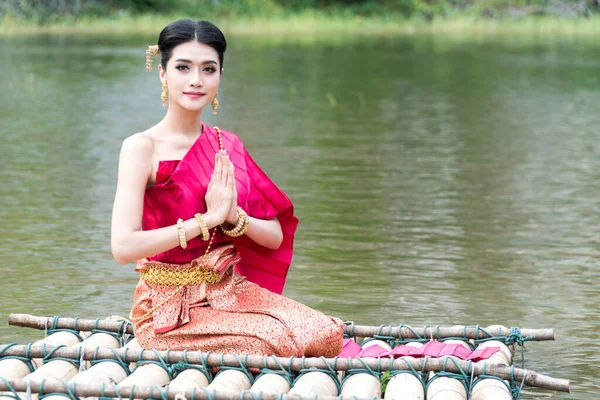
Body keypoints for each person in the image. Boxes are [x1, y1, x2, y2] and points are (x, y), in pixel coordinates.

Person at [110, 19, 344, 356]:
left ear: (220, 75)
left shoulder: (226, 144)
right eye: (182, 67)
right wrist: (206, 220)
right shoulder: (141, 148)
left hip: (230, 291)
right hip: (169, 311)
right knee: (272, 342)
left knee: (325, 334)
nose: (196, 80)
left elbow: (275, 235)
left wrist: (233, 217)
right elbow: (122, 246)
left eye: (208, 69)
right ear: (163, 73)